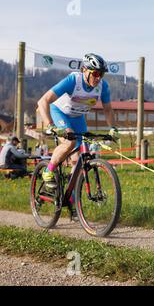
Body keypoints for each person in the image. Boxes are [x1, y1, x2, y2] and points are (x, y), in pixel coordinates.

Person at [37, 53, 119, 219]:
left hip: (78, 117)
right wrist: (51, 126)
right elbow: (43, 101)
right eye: (94, 73)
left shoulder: (103, 86)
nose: (98, 78)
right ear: (84, 70)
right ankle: (48, 170)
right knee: (70, 142)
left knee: (81, 159)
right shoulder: (73, 80)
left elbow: (108, 109)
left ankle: (71, 199)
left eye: (100, 74)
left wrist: (113, 129)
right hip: (59, 113)